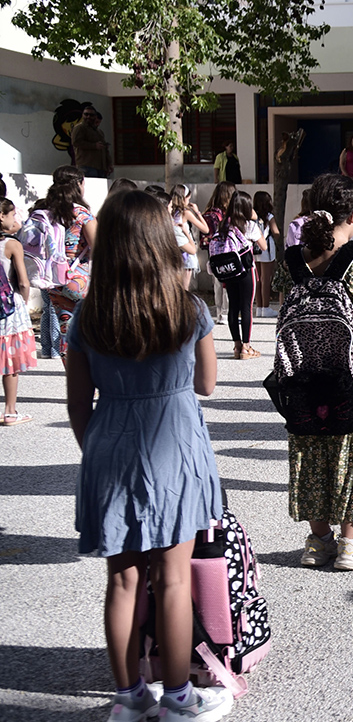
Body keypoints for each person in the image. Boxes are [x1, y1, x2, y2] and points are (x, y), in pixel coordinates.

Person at [67, 190, 234, 721]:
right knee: (174, 575)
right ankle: (179, 696)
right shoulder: (189, 309)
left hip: (110, 442)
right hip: (176, 444)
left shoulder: (88, 316)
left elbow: (77, 403)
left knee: (121, 578)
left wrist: (97, 451)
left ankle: (129, 697)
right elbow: (207, 383)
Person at [275, 174, 353, 571]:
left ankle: (318, 542)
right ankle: (350, 543)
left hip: (301, 375)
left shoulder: (292, 260)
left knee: (309, 449)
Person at [33, 174, 97, 358]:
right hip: (79, 279)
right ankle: (91, 382)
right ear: (78, 185)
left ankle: (74, 382)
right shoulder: (82, 213)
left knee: (66, 330)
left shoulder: (46, 211)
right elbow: (99, 246)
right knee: (92, 330)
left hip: (54, 280)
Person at [217, 192, 268, 359]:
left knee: (233, 306)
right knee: (246, 307)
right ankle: (246, 347)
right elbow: (264, 246)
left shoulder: (224, 224)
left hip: (229, 269)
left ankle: (237, 345)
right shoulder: (250, 226)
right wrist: (255, 219)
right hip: (246, 269)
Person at [0, 198, 35, 425]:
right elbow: (23, 282)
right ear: (2, 216)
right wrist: (22, 302)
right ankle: (10, 411)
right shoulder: (11, 245)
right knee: (9, 361)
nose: (16, 219)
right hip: (7, 308)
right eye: (12, 214)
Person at [201, 181, 236, 324]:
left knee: (217, 284)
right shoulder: (224, 215)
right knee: (227, 283)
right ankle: (226, 313)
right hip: (227, 252)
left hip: (213, 253)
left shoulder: (209, 214)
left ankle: (220, 312)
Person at [252, 191, 280, 317]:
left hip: (254, 247)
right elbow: (276, 232)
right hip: (266, 247)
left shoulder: (252, 216)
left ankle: (258, 307)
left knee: (257, 279)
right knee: (265, 279)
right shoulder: (269, 216)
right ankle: (266, 307)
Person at [70, 104, 112, 179]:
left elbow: (104, 149)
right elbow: (76, 142)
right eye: (86, 114)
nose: (88, 117)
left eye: (91, 115)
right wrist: (94, 145)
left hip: (100, 167)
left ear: (95, 117)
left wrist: (109, 164)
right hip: (86, 165)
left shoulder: (99, 132)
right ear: (82, 115)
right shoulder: (79, 128)